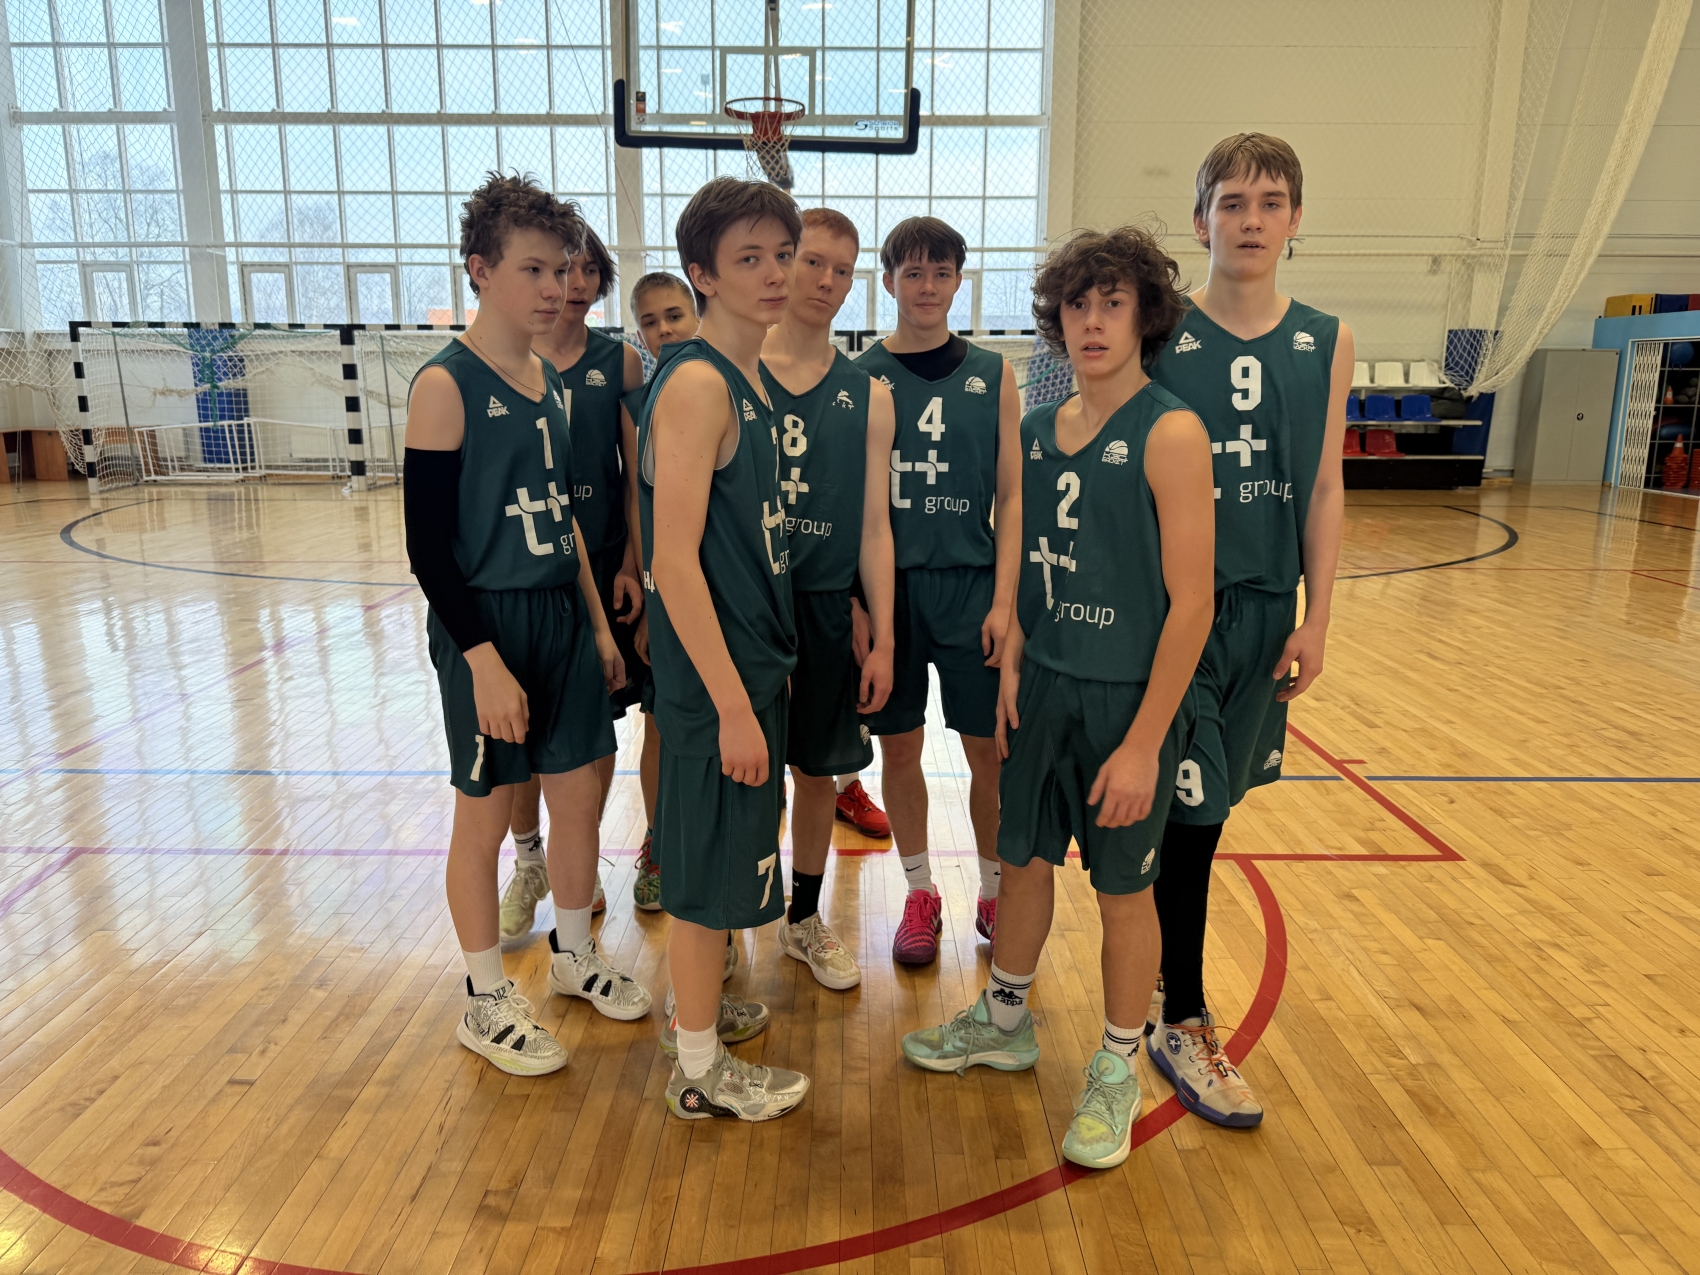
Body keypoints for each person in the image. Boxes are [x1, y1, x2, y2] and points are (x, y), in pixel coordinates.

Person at [901, 223, 1215, 1171]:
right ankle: (1005, 1020)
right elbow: (1026, 561)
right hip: (1041, 687)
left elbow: (1193, 603)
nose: (1092, 321)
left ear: (1146, 316)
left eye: (1113, 303)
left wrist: (1145, 742)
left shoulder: (1171, 431)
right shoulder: (1037, 432)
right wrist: (1011, 662)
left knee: (1125, 892)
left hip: (1125, 702)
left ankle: (1117, 1063)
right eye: (1078, 304)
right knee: (1024, 861)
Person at [403, 174, 651, 1077]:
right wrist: (483, 661)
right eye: (534, 270)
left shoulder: (547, 377)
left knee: (578, 794)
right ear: (480, 270)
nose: (556, 287)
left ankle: (576, 955)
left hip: (560, 613)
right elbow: (426, 548)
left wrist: (597, 627)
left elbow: (569, 518)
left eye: (564, 270)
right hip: (488, 623)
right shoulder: (446, 384)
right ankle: (483, 998)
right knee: (482, 819)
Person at [1144, 133, 1351, 1128]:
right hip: (1171, 614)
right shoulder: (1160, 331)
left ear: (1295, 218)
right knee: (1183, 821)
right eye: (1231, 202)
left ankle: (1156, 989)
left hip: (1265, 614)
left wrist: (1319, 616)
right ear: (1201, 222)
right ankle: (1177, 1014)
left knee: (1204, 817)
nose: (1252, 220)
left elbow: (1322, 484)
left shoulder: (1325, 339)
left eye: (1270, 202)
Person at [639, 176, 810, 1120]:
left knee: (722, 867)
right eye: (750, 258)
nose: (776, 272)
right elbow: (673, 562)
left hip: (750, 669)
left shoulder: (744, 375)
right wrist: (734, 705)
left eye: (782, 254)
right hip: (720, 686)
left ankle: (697, 1020)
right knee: (706, 885)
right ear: (702, 274)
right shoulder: (701, 383)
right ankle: (698, 1072)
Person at [855, 217, 1022, 965]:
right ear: (889, 279)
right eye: (912, 272)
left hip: (970, 587)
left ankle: (994, 891)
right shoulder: (860, 374)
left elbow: (1013, 497)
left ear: (959, 280)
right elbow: (852, 507)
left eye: (941, 272)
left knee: (990, 751)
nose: (927, 286)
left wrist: (1005, 601)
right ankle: (920, 892)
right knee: (900, 749)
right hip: (889, 591)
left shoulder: (994, 372)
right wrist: (858, 603)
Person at [759, 206, 897, 991]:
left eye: (842, 270)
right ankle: (725, 923)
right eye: (813, 262)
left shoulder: (868, 395)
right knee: (741, 775)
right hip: (747, 603)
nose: (826, 281)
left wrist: (884, 634)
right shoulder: (733, 371)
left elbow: (874, 525)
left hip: (822, 606)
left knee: (816, 775)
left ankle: (803, 919)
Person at [497, 222, 645, 939]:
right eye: (565, 268)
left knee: (594, 728)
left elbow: (636, 476)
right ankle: (530, 860)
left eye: (588, 270)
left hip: (603, 565)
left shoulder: (620, 362)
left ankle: (574, 864)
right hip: (530, 571)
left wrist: (632, 562)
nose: (576, 283)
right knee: (524, 729)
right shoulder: (506, 362)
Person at [623, 270, 700, 911]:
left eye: (674, 315)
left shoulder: (731, 383)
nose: (664, 329)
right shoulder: (639, 404)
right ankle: (657, 842)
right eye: (649, 322)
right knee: (659, 726)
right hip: (668, 593)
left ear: (696, 313)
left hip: (730, 597)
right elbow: (641, 505)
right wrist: (651, 598)